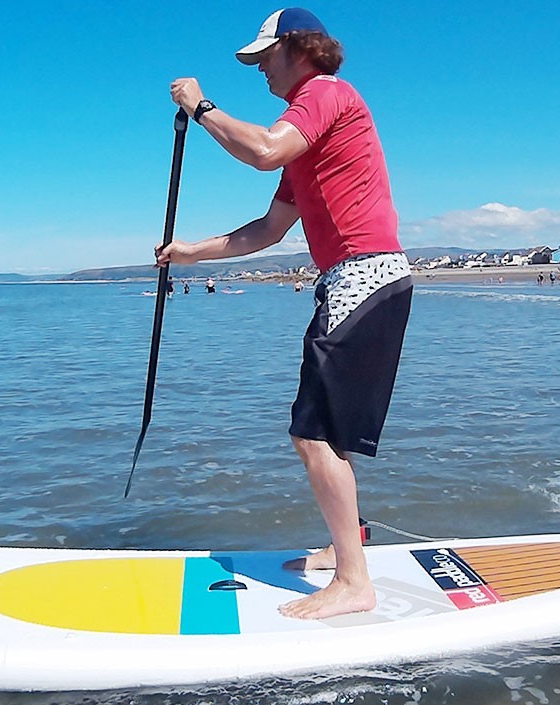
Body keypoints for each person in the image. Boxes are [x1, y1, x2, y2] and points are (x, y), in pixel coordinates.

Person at [160, 8, 412, 620]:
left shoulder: (324, 94)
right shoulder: (307, 146)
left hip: (364, 276)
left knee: (312, 434)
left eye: (265, 56)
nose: (261, 69)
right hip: (353, 281)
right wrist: (191, 252)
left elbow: (265, 150)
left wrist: (202, 107)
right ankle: (347, 545)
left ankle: (355, 583)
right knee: (331, 431)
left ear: (299, 49)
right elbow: (269, 232)